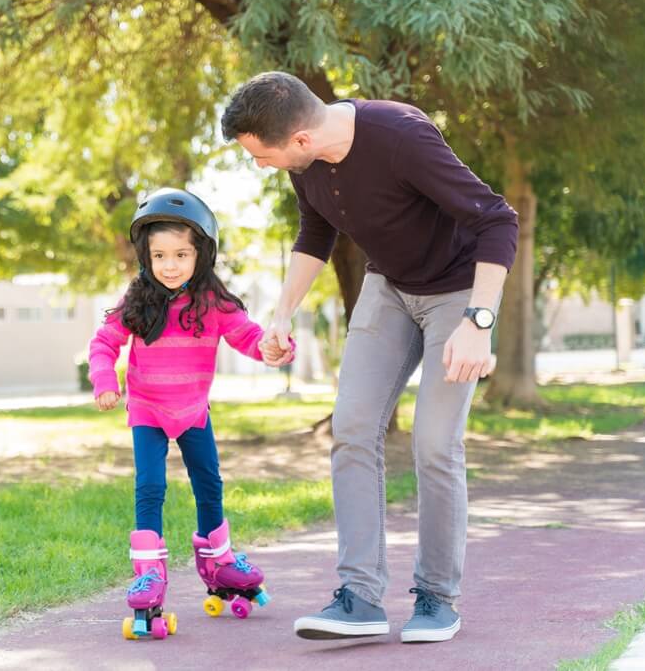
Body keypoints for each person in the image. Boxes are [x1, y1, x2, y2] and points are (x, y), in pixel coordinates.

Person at [220, 71, 519, 644]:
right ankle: (359, 597)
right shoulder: (306, 167)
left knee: (435, 443)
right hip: (389, 289)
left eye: (264, 156)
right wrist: (281, 313)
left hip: (458, 293)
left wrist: (477, 323)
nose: (261, 166)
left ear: (300, 140)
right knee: (353, 429)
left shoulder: (401, 136)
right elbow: (315, 231)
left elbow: (497, 220)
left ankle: (437, 596)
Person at [89, 187, 289, 640]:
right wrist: (106, 381)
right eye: (160, 255)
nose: (171, 264)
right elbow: (104, 343)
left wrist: (273, 347)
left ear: (202, 254)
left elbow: (248, 336)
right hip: (147, 409)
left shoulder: (214, 303)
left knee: (209, 482)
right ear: (146, 257)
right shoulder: (138, 302)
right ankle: (149, 574)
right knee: (150, 486)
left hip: (193, 410)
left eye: (181, 253)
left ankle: (218, 561)